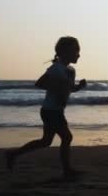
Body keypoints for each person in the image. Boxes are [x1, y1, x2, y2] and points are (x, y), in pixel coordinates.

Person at [5, 36, 87, 177]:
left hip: (56, 110)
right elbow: (39, 83)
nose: (78, 54)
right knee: (67, 137)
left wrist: (79, 86)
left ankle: (13, 154)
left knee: (46, 141)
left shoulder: (70, 70)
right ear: (65, 52)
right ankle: (67, 171)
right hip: (50, 111)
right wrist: (57, 87)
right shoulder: (56, 69)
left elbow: (70, 88)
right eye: (76, 51)